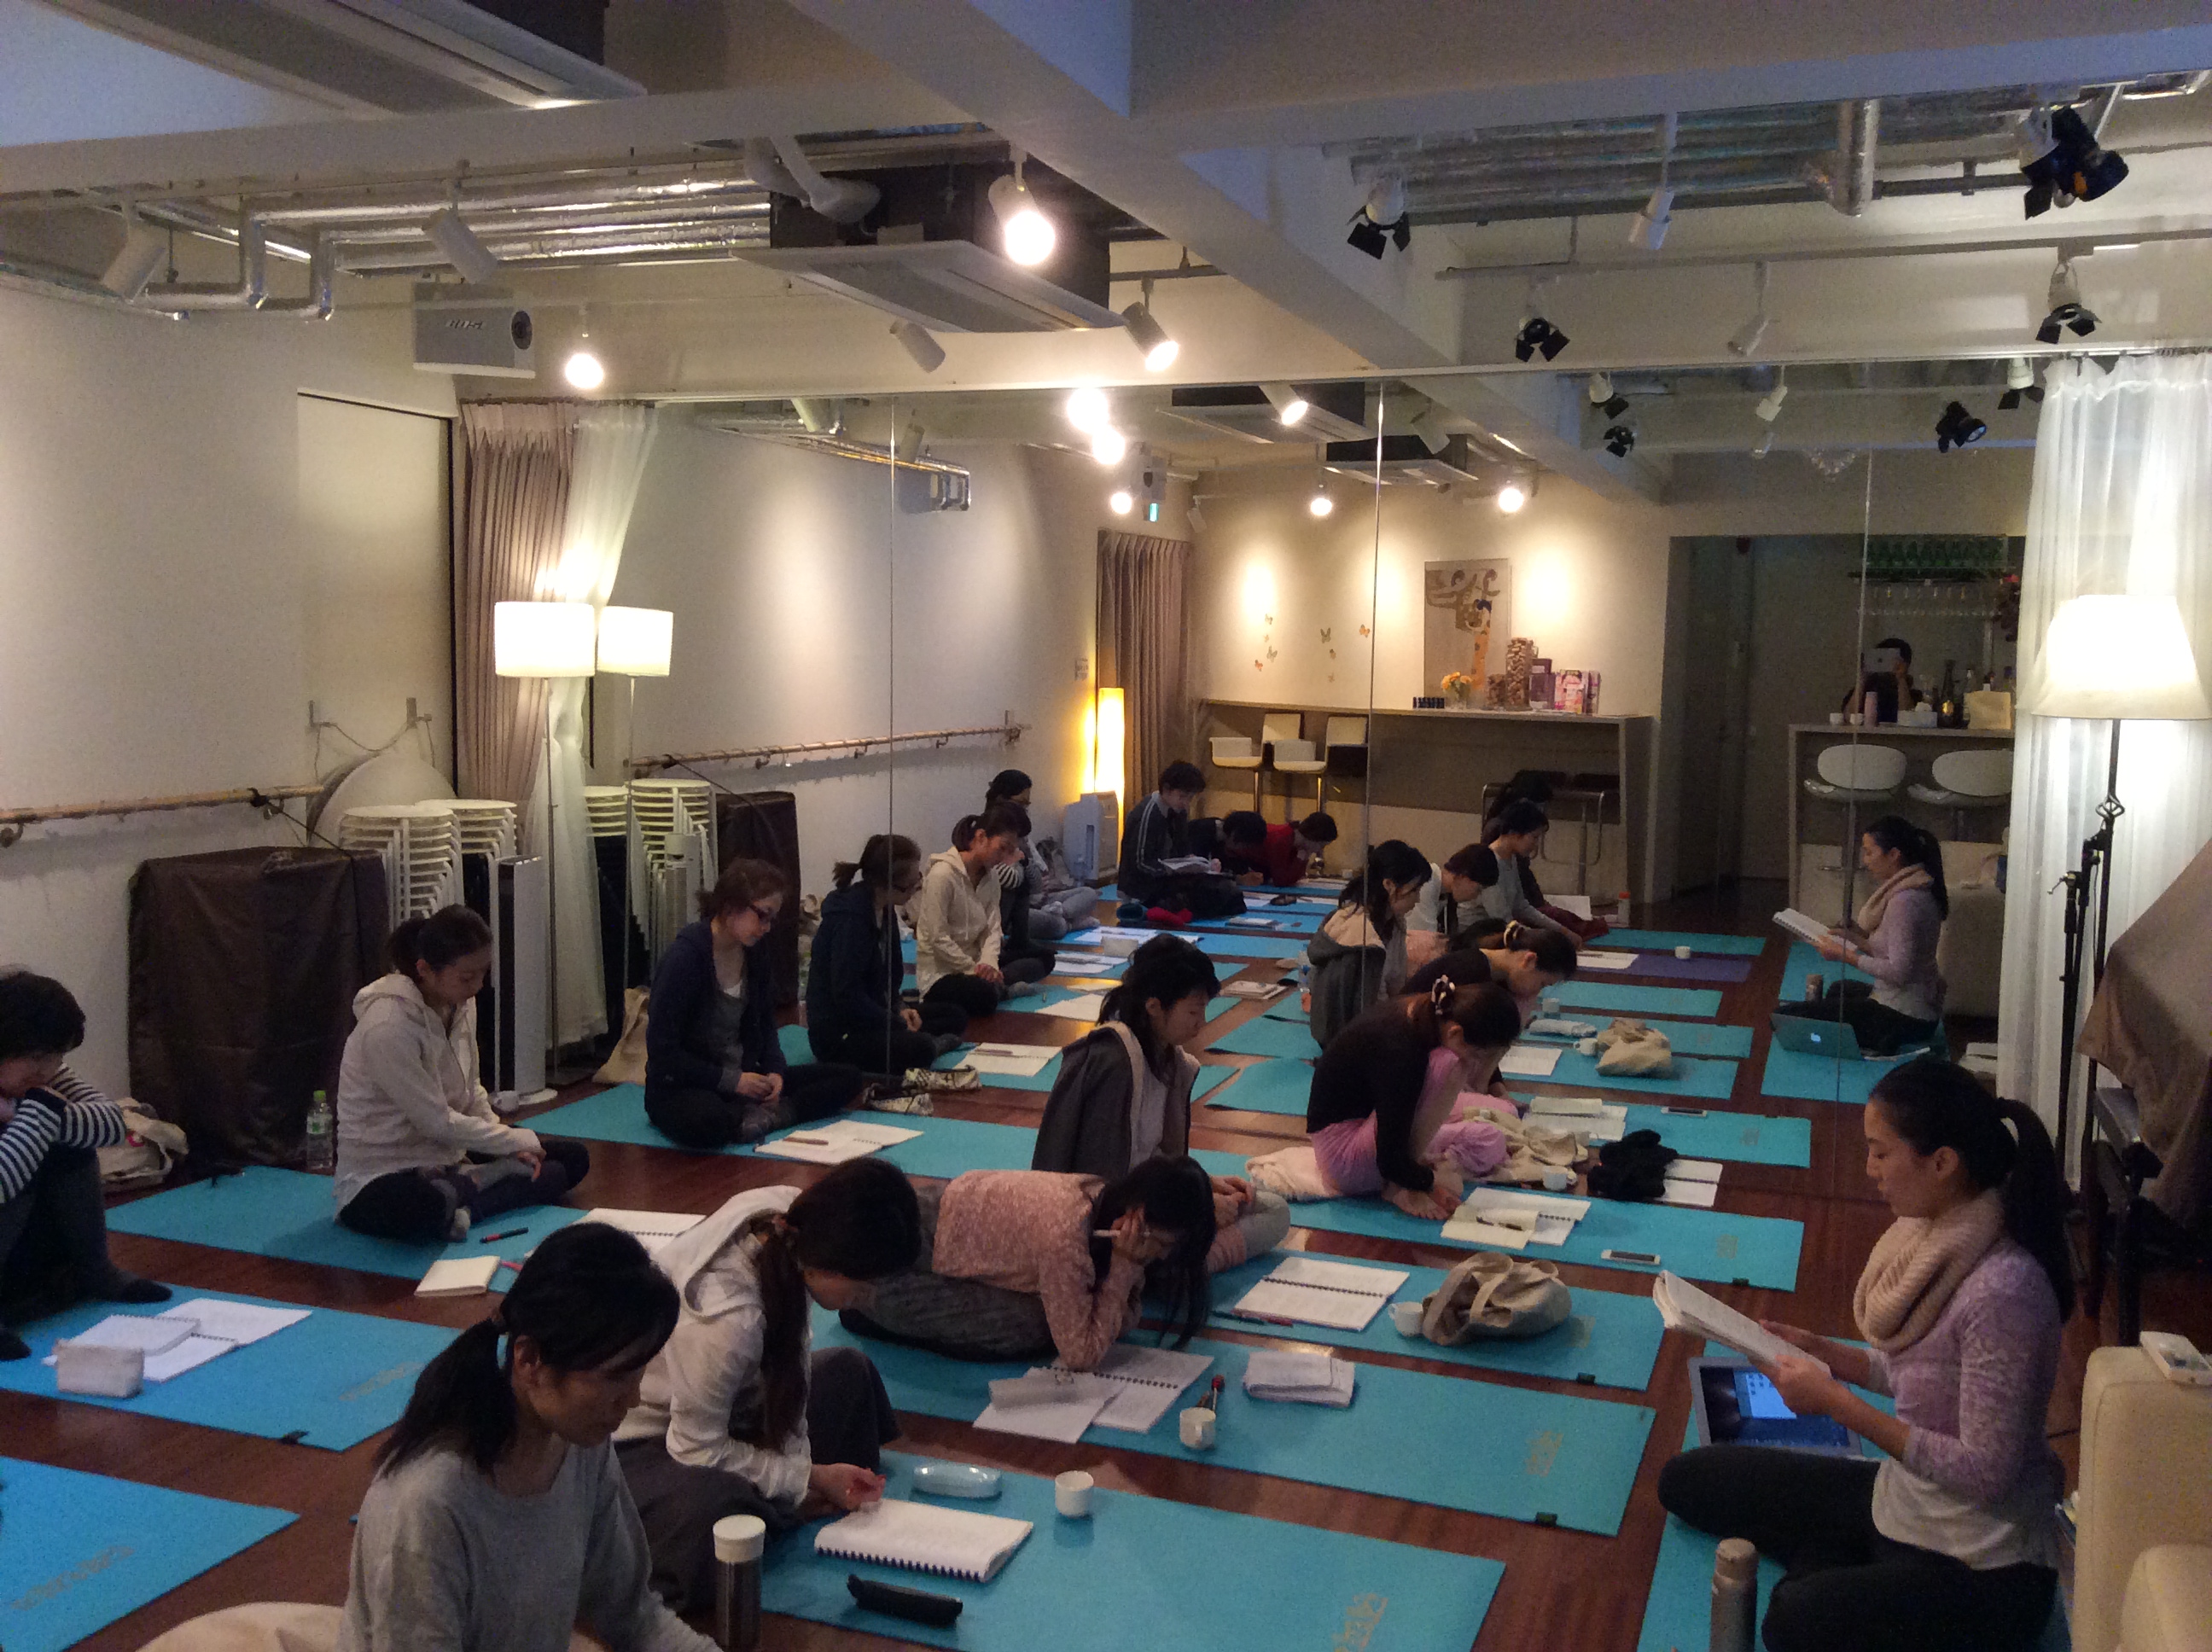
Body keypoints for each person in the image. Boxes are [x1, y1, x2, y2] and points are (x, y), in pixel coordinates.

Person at [1656, 1060, 2071, 1652]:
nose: (1870, 1169)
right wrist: (1828, 1355)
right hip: (1904, 1502)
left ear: (1942, 1163)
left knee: (1790, 1621)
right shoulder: (1941, 1230)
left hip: (1984, 1564)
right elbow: (1926, 1377)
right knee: (1686, 1481)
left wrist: (1837, 1404)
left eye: (1880, 1153)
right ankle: (1841, 1563)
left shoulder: (2003, 1291)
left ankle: (1838, 1567)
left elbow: (1987, 1472)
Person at [336, 1222, 712, 1652]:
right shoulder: (427, 1503)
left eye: (638, 1373)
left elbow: (636, 1617)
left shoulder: (579, 1445)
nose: (633, 1399)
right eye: (616, 1378)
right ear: (530, 1360)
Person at [614, 1161, 917, 1614]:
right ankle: (766, 1514)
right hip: (645, 1440)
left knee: (848, 1374)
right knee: (713, 1507)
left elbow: (793, 1366)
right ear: (827, 1267)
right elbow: (694, 1448)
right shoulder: (727, 1320)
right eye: (864, 1286)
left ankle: (772, 1512)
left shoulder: (792, 1218)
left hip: (733, 1407)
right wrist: (802, 1479)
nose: (870, 1299)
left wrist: (801, 1471)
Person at [1032, 934, 1290, 1268]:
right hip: (1110, 1228)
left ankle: (1178, 1261)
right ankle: (1171, 1269)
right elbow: (1099, 1188)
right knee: (1270, 1214)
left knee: (1270, 1206)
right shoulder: (1114, 1065)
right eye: (1194, 1011)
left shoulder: (1167, 1059)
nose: (1202, 1022)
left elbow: (1153, 1158)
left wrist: (1203, 1184)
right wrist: (1198, 1208)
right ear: (1154, 1007)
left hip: (1145, 1200)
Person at [336, 908, 591, 1244]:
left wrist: (506, 1145)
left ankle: (468, 1199)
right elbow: (435, 1123)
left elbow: (472, 1092)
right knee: (426, 1206)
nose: (478, 986)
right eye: (467, 977)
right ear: (425, 970)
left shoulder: (460, 1004)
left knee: (570, 1159)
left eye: (483, 973)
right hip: (383, 1171)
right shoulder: (387, 1026)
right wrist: (514, 1142)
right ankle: (476, 1185)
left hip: (451, 1153)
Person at [843, 1158, 1216, 1368]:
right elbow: (1081, 1353)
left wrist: (1121, 1282)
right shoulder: (1068, 1232)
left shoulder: (1102, 1200)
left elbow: (1121, 1318)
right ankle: (870, 1305)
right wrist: (1124, 1267)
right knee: (1034, 1325)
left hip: (949, 1227)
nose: (1161, 1256)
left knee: (1061, 1317)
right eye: (1163, 1245)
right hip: (915, 1254)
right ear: (1137, 1215)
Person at [0, 971, 167, 1361]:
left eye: (57, 1057)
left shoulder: (44, 1075)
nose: (48, 1070)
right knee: (31, 1147)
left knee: (67, 1142)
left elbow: (111, 1124)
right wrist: (38, 1114)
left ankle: (95, 1271)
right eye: (38, 1058)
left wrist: (30, 1112)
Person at [644, 860, 865, 1150]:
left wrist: (775, 1071)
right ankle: (751, 1115)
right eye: (762, 916)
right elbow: (663, 1052)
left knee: (849, 1077)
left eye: (772, 919)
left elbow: (765, 1024)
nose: (767, 927)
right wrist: (732, 1081)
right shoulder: (684, 959)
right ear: (730, 906)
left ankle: (766, 1116)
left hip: (745, 1075)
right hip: (687, 1083)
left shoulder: (754, 953)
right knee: (708, 1123)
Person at [1303, 980, 1523, 1219]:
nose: (1477, 1064)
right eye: (1478, 1055)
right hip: (1344, 1158)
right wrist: (1426, 1182)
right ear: (1456, 1033)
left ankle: (1425, 1164)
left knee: (1502, 1120)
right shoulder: (1403, 1051)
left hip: (1373, 1126)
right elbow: (1389, 1160)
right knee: (1449, 1064)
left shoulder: (1427, 1014)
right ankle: (1398, 1187)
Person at [1776, 816, 1947, 1056]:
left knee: (1784, 1019)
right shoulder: (1913, 887)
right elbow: (1895, 952)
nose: (1865, 861)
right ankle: (1861, 1036)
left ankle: (1882, 1040)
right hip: (1906, 1003)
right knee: (1839, 989)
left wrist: (1845, 956)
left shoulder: (1905, 902)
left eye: (1869, 852)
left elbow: (1900, 972)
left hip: (1906, 1016)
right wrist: (1855, 940)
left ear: (1894, 855)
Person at [807, 835, 966, 1079]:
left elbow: (891, 977)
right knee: (920, 1048)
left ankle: (920, 1040)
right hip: (842, 1031)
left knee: (954, 1015)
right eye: (910, 886)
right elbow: (847, 997)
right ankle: (928, 1045)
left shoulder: (885, 909)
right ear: (889, 884)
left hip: (875, 1014)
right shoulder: (850, 920)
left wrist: (899, 1008)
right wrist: (895, 1021)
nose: (914, 891)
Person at [913, 806, 1051, 1021]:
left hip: (979, 964)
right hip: (943, 972)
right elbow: (937, 939)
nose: (1004, 857)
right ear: (981, 837)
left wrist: (989, 964)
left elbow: (993, 929)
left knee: (1046, 957)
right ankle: (999, 988)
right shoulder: (942, 875)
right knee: (982, 994)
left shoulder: (991, 877)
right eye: (1002, 848)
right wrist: (976, 969)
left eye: (1010, 852)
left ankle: (997, 984)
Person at [1305, 839, 1431, 1048]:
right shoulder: (1358, 935)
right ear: (1389, 885)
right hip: (1352, 1040)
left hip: (1378, 1022)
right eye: (1415, 890)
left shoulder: (1393, 921)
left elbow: (1396, 984)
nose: (1417, 899)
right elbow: (1352, 1015)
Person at [1118, 760, 1243, 919]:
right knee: (1211, 895)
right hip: (1143, 885)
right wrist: (1171, 870)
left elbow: (1183, 849)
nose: (1185, 803)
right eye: (1182, 797)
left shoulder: (1178, 810)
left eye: (1189, 798)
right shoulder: (1148, 814)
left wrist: (1203, 865)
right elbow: (1141, 863)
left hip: (1168, 877)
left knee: (1226, 890)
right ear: (1166, 789)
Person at [985, 770, 1097, 940]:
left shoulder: (1019, 834)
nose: (1024, 809)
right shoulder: (991, 833)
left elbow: (1039, 878)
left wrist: (1025, 862)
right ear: (1002, 799)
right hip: (1010, 910)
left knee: (1089, 893)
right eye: (1021, 803)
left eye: (1027, 804)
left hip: (1036, 900)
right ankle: (1069, 923)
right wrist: (1020, 861)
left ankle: (1060, 913)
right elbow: (1008, 880)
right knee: (1055, 926)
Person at [1405, 920, 1580, 1022]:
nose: (1537, 992)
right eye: (1542, 984)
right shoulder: (1471, 972)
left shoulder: (1489, 972)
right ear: (1529, 960)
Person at [1474, 800, 1580, 942]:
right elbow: (1502, 920)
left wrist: (1563, 931)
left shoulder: (1511, 859)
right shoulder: (1489, 861)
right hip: (1479, 937)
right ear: (1514, 833)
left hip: (1499, 931)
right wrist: (1547, 937)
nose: (1535, 845)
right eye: (1534, 837)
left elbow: (1521, 906)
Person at [1406, 843, 1500, 968]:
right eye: (1478, 889)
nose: (1476, 896)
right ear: (1463, 876)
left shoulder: (1444, 894)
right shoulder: (1425, 885)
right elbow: (1425, 948)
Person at [1219, 810, 1338, 889]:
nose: (1320, 850)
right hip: (1234, 856)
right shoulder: (1282, 840)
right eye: (1321, 845)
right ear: (1313, 838)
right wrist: (1302, 858)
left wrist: (1303, 857)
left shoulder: (1295, 841)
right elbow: (1281, 881)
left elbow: (1298, 876)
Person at [1843, 637, 1920, 724]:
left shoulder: (1914, 695)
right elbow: (1849, 718)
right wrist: (1862, 678)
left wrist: (1901, 679)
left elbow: (1909, 720)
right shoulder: (1865, 691)